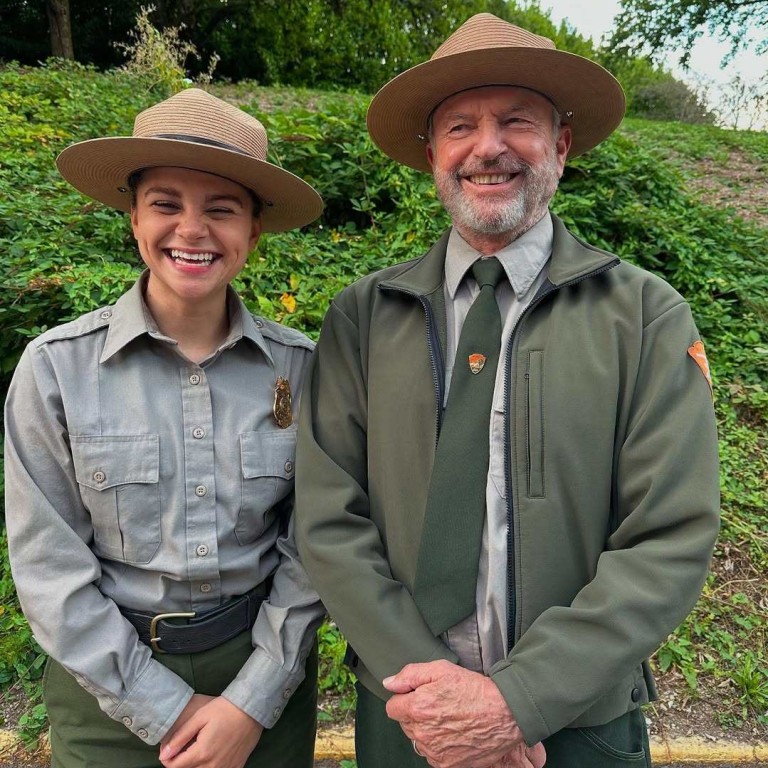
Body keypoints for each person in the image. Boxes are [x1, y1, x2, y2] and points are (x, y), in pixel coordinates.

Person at [295, 13, 720, 768]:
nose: (487, 147)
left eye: (516, 121)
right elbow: (329, 519)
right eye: (460, 126)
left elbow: (670, 533)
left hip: (579, 726)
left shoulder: (645, 316)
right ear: (433, 155)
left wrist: (517, 703)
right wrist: (440, 703)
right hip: (406, 719)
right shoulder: (362, 317)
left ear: (560, 144)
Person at [4, 88, 326, 768]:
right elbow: (48, 570)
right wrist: (168, 706)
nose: (192, 229)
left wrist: (251, 701)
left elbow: (315, 544)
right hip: (107, 695)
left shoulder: (302, 371)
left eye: (221, 209)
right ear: (132, 217)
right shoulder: (56, 371)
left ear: (253, 232)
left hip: (264, 682)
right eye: (166, 204)